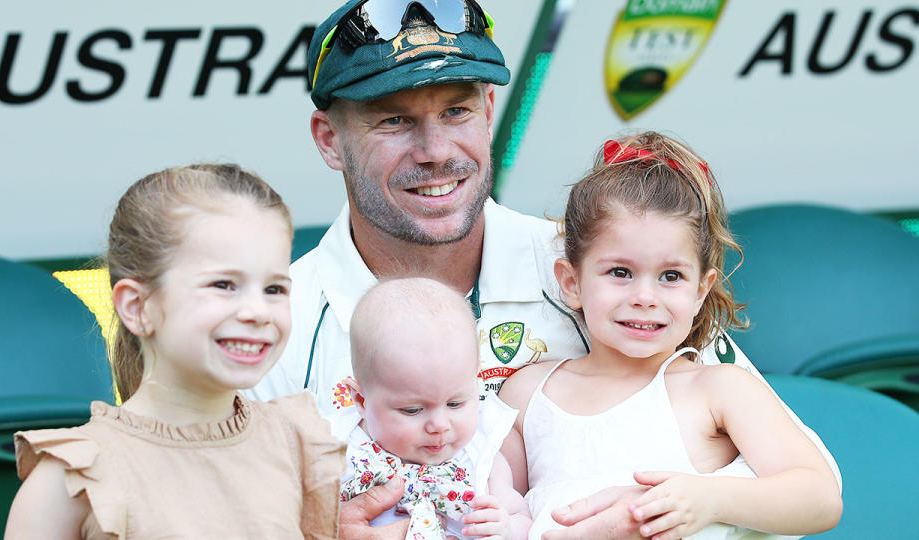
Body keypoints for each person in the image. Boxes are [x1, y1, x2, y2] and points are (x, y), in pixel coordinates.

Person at [248, 1, 840, 538]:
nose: (434, 151)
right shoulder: (273, 323)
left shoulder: (606, 266)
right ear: (329, 140)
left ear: (487, 111)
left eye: (455, 111)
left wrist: (653, 507)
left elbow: (807, 485)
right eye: (393, 120)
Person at [498, 133, 843, 539]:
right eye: (620, 272)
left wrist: (709, 498)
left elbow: (819, 498)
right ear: (571, 282)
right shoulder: (526, 394)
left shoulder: (718, 388)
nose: (645, 297)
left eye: (671, 276)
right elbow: (497, 505)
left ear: (701, 290)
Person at [4, 164, 345, 539]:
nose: (258, 312)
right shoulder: (70, 477)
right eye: (223, 284)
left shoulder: (297, 442)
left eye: (275, 289)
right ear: (137, 306)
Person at [336, 277, 531, 539]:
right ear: (361, 400)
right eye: (413, 410)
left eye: (455, 403)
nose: (439, 425)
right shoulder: (335, 453)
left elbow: (523, 517)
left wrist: (507, 528)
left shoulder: (480, 457)